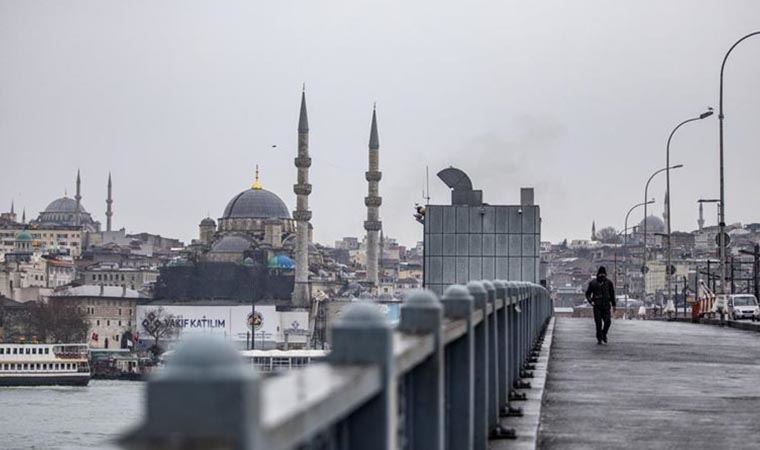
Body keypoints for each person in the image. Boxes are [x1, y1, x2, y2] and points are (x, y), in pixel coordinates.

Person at [585, 266, 616, 344]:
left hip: (606, 306)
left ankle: (603, 334)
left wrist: (614, 305)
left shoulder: (609, 283)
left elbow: (612, 294)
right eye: (601, 274)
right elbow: (588, 294)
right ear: (598, 274)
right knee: (598, 323)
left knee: (608, 322)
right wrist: (591, 301)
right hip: (597, 306)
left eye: (603, 274)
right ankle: (599, 338)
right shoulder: (593, 283)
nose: (602, 275)